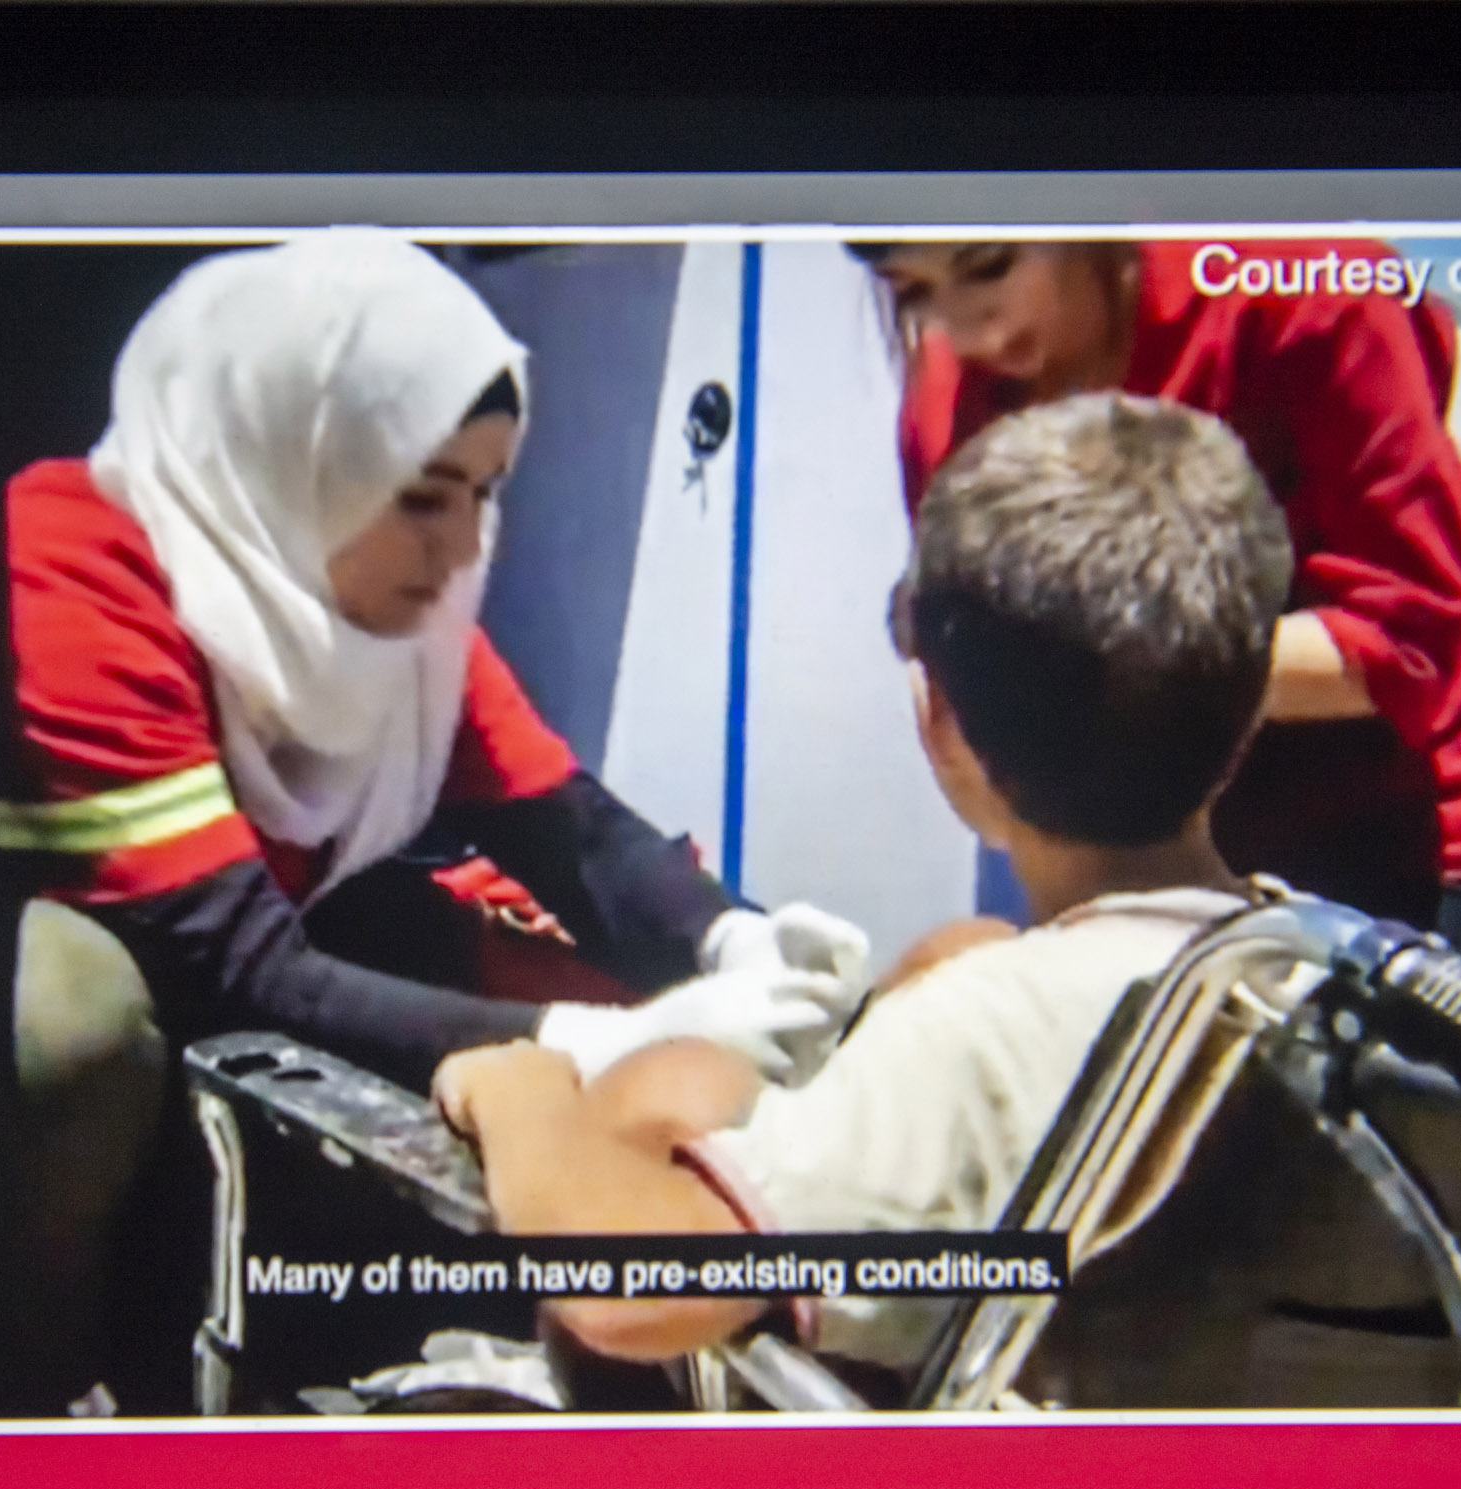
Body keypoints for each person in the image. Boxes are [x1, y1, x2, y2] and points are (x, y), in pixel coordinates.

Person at [0, 235, 866, 1408]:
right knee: (73, 1012)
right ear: (298, 458)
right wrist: (580, 1045)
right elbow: (234, 958)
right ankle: (23, 1399)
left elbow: (567, 829)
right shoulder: (78, 564)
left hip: (258, 931)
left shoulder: (395, 609)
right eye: (420, 497)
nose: (460, 551)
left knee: (490, 945)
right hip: (95, 973)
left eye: (485, 495)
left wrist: (737, 942)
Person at [434, 392, 1290, 1374]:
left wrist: (520, 1089)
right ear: (1255, 701)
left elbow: (635, 1289)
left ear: (941, 726)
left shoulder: (996, 1033)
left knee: (663, 1089)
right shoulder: (1342, 984)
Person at [851, 239, 1461, 966]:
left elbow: (1418, 641)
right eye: (913, 292)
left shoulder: (1303, 285)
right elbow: (991, 757)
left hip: (1425, 870)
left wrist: (1089, 656)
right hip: (1146, 905)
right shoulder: (946, 404)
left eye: (991, 266)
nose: (971, 333)